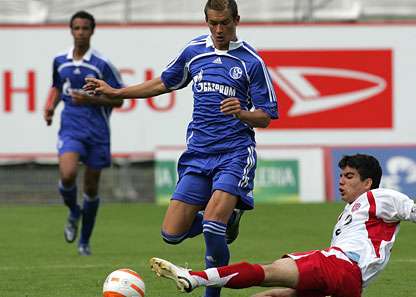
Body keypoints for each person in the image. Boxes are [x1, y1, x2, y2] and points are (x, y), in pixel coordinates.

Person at [83, 0, 278, 296]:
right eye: (213, 23)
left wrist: (242, 113)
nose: (219, 29)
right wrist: (116, 91)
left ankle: (211, 287)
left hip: (234, 153)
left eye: (224, 22)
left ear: (236, 19)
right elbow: (163, 83)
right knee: (171, 234)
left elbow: (266, 115)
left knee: (213, 226)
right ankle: (229, 220)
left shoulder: (251, 62)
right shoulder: (194, 52)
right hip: (198, 154)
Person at [148, 153, 416, 297]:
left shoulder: (380, 198)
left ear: (368, 182)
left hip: (338, 267)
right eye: (341, 176)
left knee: (267, 271)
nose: (342, 182)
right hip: (348, 281)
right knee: (271, 295)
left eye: (349, 177)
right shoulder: (351, 213)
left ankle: (195, 277)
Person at [44, 11, 124, 256]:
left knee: (90, 188)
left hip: (97, 132)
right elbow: (57, 87)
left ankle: (84, 242)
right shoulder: (60, 60)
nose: (80, 32)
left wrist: (90, 98)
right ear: (71, 30)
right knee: (67, 175)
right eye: (76, 28)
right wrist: (50, 107)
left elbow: (118, 99)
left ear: (92, 31)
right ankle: (73, 212)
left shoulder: (102, 64)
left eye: (85, 28)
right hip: (71, 128)